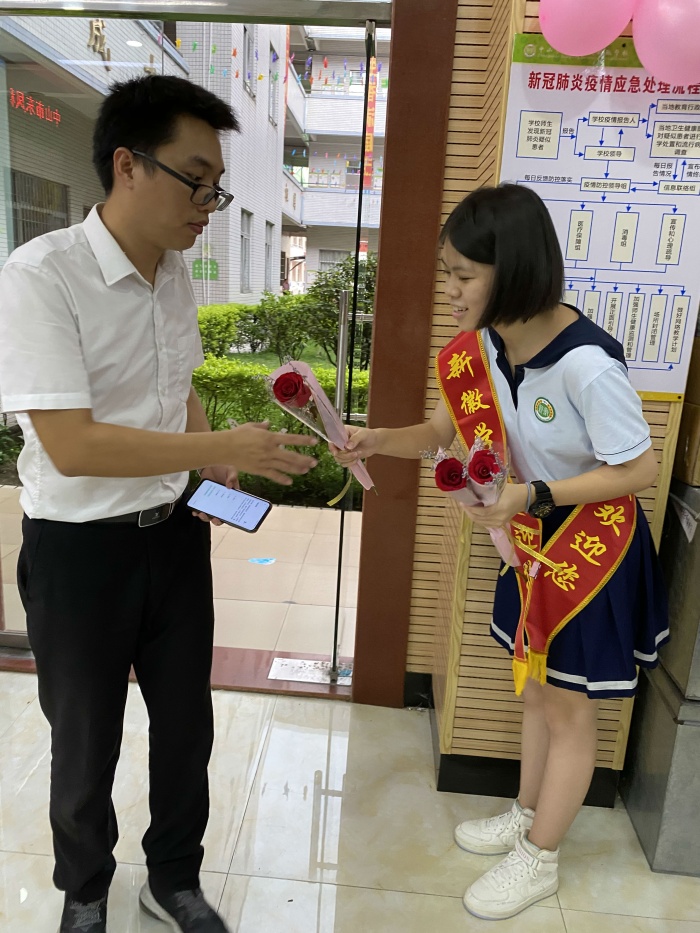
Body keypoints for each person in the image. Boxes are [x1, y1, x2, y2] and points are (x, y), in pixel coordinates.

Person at [0, 75, 317, 933]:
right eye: (196, 179)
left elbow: (178, 391)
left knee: (186, 729)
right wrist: (222, 448)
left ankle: (173, 878)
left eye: (218, 186)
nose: (209, 203)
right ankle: (85, 889)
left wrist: (213, 470)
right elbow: (73, 444)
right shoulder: (41, 275)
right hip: (78, 550)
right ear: (127, 165)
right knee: (84, 739)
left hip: (171, 541)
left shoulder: (175, 273)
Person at [331, 184, 669, 921]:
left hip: (589, 553)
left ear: (511, 270)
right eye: (447, 272)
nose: (450, 290)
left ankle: (540, 859)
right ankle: (526, 813)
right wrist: (374, 439)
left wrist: (534, 494)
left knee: (570, 709)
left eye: (463, 275)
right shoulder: (486, 347)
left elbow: (639, 469)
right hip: (532, 539)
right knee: (536, 689)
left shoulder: (586, 364)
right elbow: (439, 433)